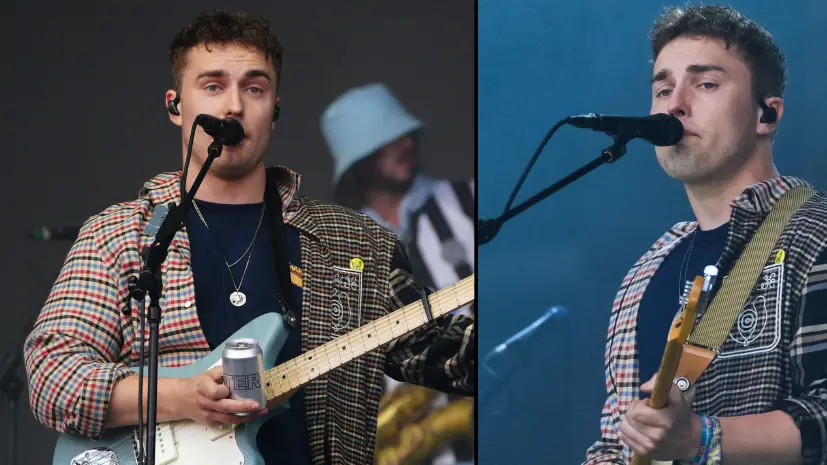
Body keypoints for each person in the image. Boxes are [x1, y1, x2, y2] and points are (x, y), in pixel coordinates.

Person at [23, 10, 475, 465]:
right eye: (213, 85)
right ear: (175, 105)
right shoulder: (119, 234)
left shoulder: (356, 244)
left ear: (274, 109)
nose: (233, 106)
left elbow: (448, 356)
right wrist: (182, 397)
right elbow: (52, 377)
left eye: (254, 88)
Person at [584, 5, 827, 465]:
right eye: (662, 88)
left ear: (767, 115)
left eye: (706, 83)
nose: (674, 104)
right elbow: (619, 443)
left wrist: (702, 438)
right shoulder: (643, 274)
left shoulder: (816, 231)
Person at [320, 83, 476, 465]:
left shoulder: (470, 201)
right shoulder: (341, 251)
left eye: (405, 133)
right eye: (386, 139)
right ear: (358, 160)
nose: (404, 144)